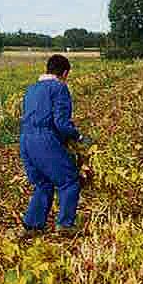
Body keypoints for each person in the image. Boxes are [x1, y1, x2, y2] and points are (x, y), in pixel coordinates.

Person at [18, 54, 92, 236]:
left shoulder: (32, 89)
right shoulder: (59, 88)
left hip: (26, 140)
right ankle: (66, 225)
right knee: (70, 180)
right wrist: (79, 137)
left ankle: (32, 227)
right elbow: (61, 123)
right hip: (44, 139)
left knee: (43, 183)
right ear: (65, 73)